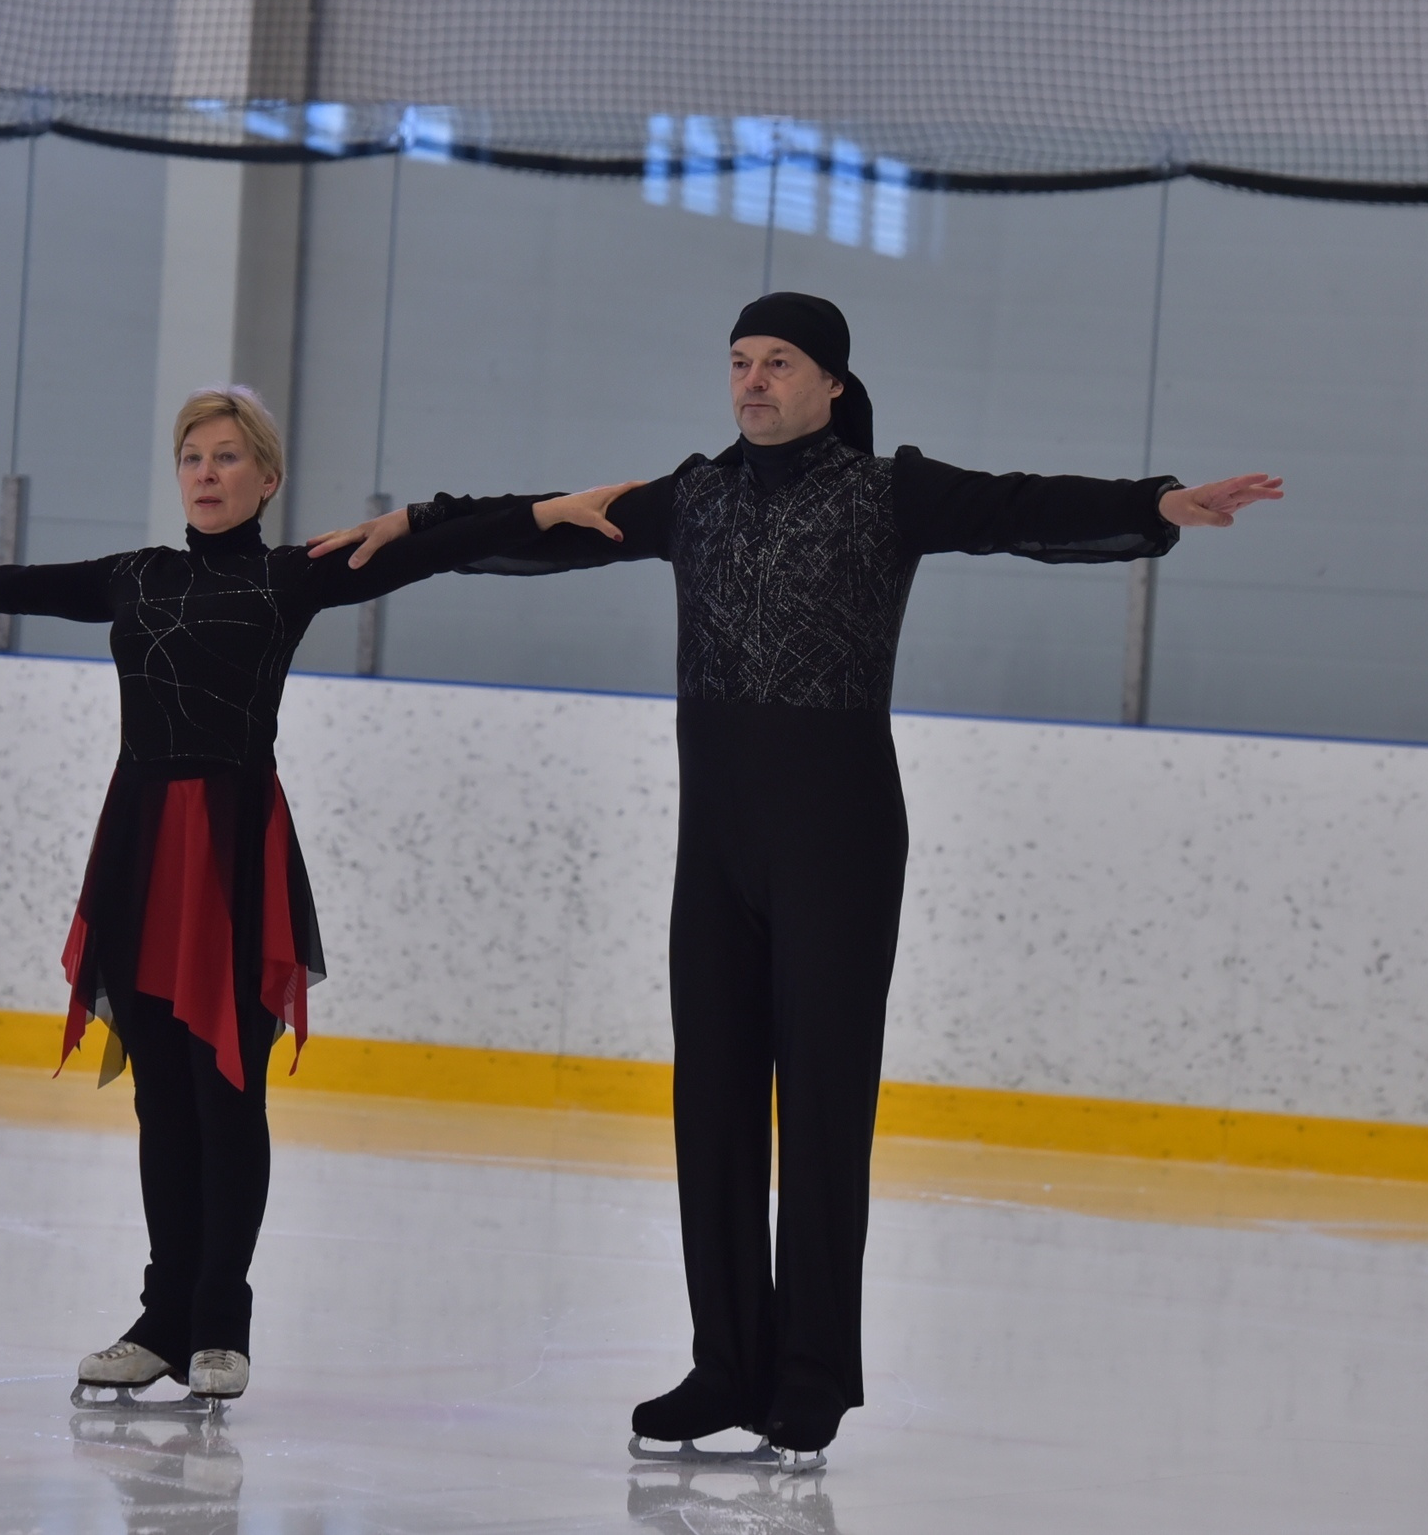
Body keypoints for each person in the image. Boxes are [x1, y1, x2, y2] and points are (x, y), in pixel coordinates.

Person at [309, 295, 1281, 1460]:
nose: (752, 379)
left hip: (839, 831)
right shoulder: (692, 494)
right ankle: (724, 1364)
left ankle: (812, 1369)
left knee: (823, 1101)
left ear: (830, 382)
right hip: (716, 835)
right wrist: (416, 522)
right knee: (710, 1096)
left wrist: (1153, 506)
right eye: (738, 360)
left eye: (778, 362)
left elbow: (1019, 507)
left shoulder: (890, 490)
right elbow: (550, 523)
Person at [0, 388, 634, 1407]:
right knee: (162, 1097)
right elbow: (21, 581)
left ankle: (219, 1322)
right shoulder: (135, 578)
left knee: (227, 1089)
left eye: (226, 457)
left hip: (235, 851)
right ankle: (161, 1320)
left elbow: (431, 550)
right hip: (138, 845)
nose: (205, 473)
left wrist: (546, 513)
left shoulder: (286, 577)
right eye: (191, 457)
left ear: (267, 478)